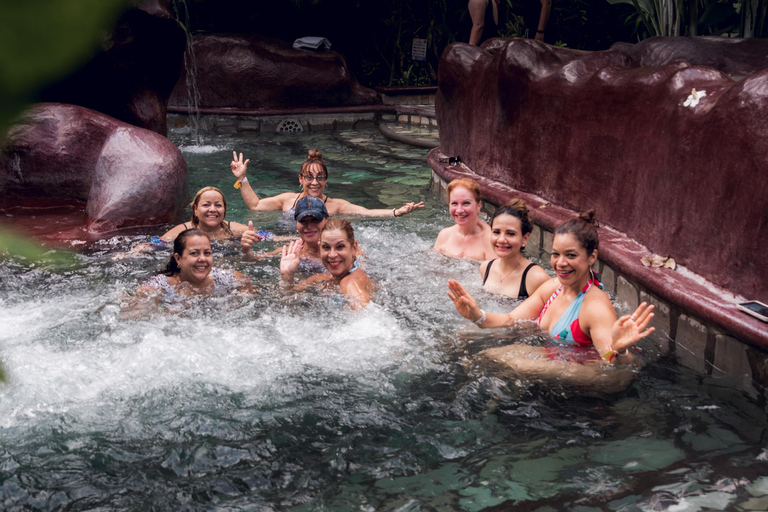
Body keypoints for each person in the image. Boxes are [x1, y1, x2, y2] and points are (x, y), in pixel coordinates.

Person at [448, 210, 655, 367]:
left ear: (592, 257)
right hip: (551, 370)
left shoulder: (595, 308)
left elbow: (613, 372)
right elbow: (511, 320)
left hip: (579, 405)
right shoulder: (554, 287)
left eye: (571, 256)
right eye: (556, 254)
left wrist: (620, 353)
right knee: (468, 348)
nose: (560, 263)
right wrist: (477, 316)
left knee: (493, 359)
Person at [230, 150, 424, 218]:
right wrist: (242, 178)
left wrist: (396, 212)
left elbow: (366, 212)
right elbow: (255, 206)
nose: (315, 182)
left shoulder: (336, 205)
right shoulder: (286, 200)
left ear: (326, 180)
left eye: (320, 177)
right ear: (300, 179)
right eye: (309, 177)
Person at [279, 218, 373, 308]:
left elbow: (367, 316)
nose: (332, 255)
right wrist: (287, 277)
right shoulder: (320, 279)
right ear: (320, 247)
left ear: (353, 248)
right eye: (326, 247)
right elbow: (287, 296)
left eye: (340, 246)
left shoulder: (350, 283)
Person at [241, 196, 330, 274]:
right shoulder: (290, 252)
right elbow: (252, 261)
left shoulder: (339, 252)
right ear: (296, 222)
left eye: (315, 220)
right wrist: (246, 250)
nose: (309, 226)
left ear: (327, 219)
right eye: (303, 221)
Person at [480, 199, 549, 299]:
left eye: (510, 233)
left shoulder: (536, 278)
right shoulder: (485, 268)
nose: (501, 239)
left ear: (524, 239)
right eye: (496, 232)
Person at [433, 178, 495, 261]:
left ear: (478, 205)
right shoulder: (444, 235)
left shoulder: (491, 239)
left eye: (466, 203)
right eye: (454, 203)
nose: (459, 210)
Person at [160, 186, 250, 242]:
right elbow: (155, 244)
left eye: (218, 205)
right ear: (195, 209)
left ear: (224, 209)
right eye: (206, 205)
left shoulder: (233, 230)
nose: (212, 209)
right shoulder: (183, 231)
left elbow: (262, 235)